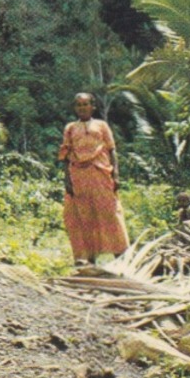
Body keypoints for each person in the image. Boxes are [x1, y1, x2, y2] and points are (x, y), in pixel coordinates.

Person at [58, 92, 129, 267]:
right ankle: (86, 258)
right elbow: (66, 156)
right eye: (79, 105)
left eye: (85, 104)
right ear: (75, 108)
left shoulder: (102, 125)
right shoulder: (70, 128)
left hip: (101, 173)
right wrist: (67, 180)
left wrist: (116, 174)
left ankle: (120, 252)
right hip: (79, 176)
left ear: (93, 107)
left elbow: (112, 150)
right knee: (82, 214)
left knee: (109, 212)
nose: (82, 108)